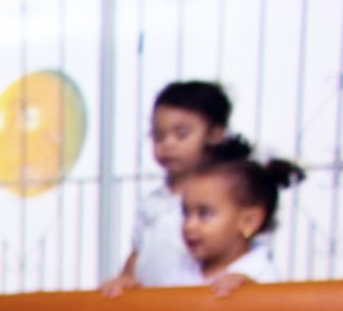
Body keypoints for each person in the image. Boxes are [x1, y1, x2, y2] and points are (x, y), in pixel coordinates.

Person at [100, 81, 253, 296]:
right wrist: (125, 280)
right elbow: (138, 253)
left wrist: (243, 280)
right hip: (153, 308)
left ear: (215, 134)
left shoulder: (226, 196)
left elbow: (247, 251)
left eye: (181, 134)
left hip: (203, 306)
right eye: (158, 136)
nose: (168, 144)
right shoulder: (153, 202)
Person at [178, 154, 305, 297]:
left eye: (204, 214)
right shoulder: (182, 267)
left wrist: (251, 294)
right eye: (186, 214)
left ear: (249, 221)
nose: (189, 226)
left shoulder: (262, 275)